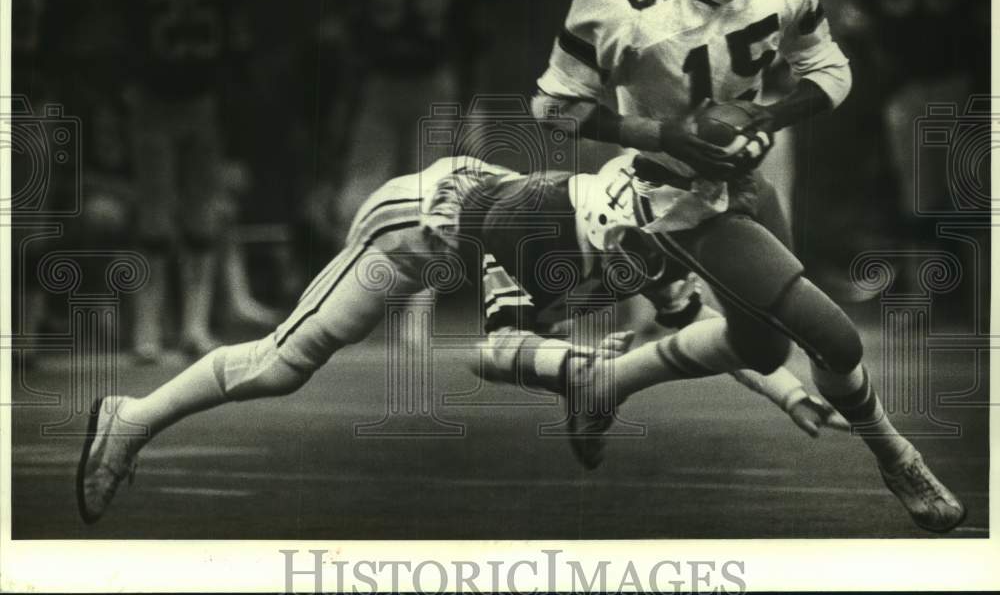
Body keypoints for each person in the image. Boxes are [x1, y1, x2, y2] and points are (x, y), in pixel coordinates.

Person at [530, 0, 965, 532]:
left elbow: (830, 69)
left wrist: (768, 120)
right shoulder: (618, 8)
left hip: (745, 180)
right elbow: (551, 107)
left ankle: (603, 382)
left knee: (759, 349)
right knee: (834, 339)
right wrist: (661, 132)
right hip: (675, 196)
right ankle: (896, 455)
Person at [76, 155, 838, 525]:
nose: (653, 261)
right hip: (416, 226)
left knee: (555, 336)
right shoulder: (542, 228)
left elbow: (712, 329)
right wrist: (575, 367)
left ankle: (584, 383)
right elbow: (497, 349)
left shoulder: (648, 239)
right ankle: (131, 417)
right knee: (284, 363)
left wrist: (790, 389)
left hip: (493, 242)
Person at [115, 0, 252, 361]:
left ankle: (191, 326)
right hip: (158, 103)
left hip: (195, 103)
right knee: (156, 222)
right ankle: (150, 330)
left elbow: (235, 54)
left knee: (197, 219)